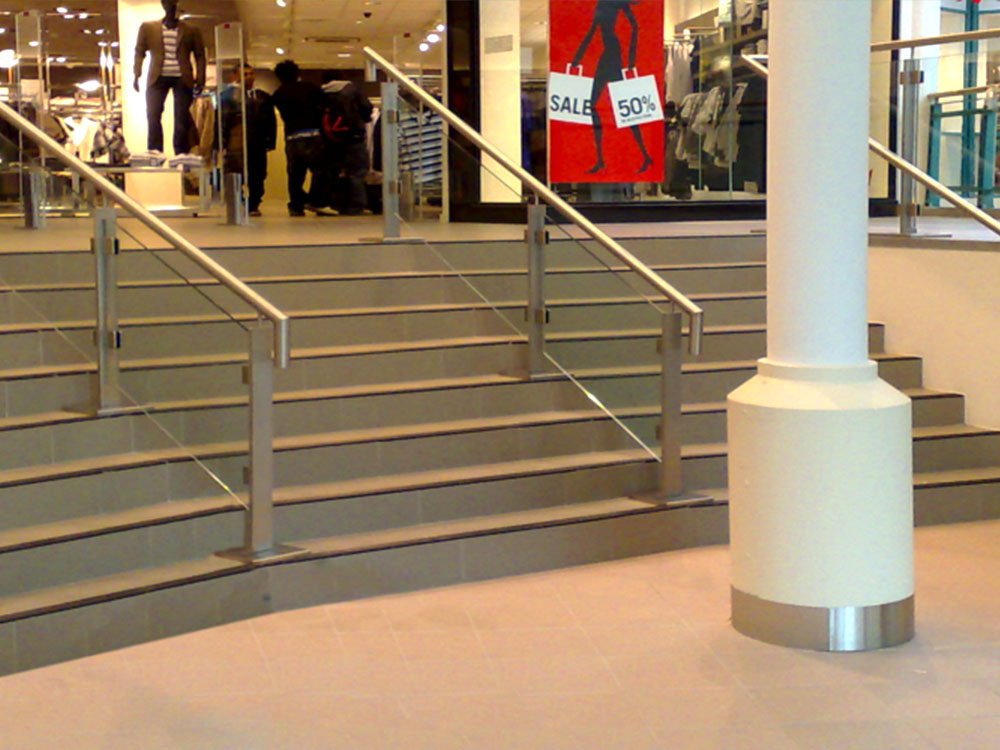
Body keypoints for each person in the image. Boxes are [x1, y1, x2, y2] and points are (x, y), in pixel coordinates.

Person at [571, 0, 652, 175]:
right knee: (598, 106)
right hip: (607, 54)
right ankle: (603, 158)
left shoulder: (617, 3)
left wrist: (630, 62)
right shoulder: (603, 4)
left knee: (624, 108)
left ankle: (643, 155)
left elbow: (634, 28)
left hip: (613, 55)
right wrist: (576, 60)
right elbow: (592, 32)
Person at [133, 0, 206, 155]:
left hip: (182, 77)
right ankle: (155, 150)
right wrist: (136, 73)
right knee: (153, 114)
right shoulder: (148, 28)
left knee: (181, 118)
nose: (171, 7)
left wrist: (200, 80)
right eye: (168, 3)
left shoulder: (191, 30)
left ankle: (180, 152)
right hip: (157, 76)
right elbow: (140, 51)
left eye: (173, 3)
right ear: (163, 5)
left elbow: (200, 55)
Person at [271, 59, 333, 217]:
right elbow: (326, 105)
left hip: (292, 137)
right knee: (320, 170)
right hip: (312, 134)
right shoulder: (310, 88)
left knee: (295, 174)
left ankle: (296, 205)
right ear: (297, 73)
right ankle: (315, 201)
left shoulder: (278, 94)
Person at [221, 64, 277, 217]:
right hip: (237, 141)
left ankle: (254, 203)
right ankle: (238, 202)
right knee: (236, 172)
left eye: (251, 73)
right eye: (245, 74)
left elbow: (270, 120)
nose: (249, 77)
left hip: (257, 141)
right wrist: (221, 142)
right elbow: (222, 120)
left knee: (257, 174)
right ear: (236, 76)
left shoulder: (262, 96)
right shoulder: (229, 97)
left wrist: (270, 140)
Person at [321, 75, 374, 215]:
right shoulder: (353, 90)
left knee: (334, 172)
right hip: (354, 137)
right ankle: (357, 205)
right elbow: (367, 109)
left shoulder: (322, 93)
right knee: (357, 172)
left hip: (331, 140)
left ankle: (336, 204)